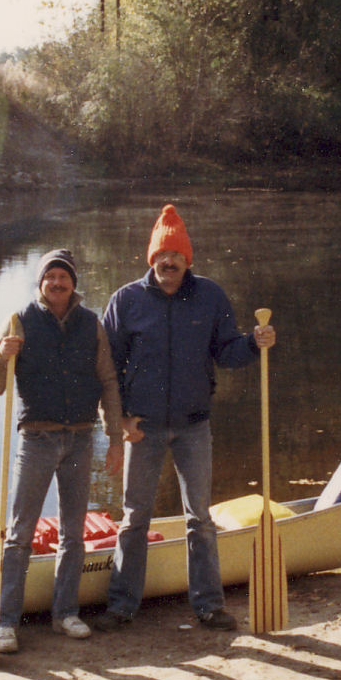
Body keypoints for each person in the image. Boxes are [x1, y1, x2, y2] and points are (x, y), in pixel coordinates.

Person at [92, 204, 275, 632]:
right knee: (134, 518)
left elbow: (226, 351)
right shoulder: (126, 300)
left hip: (194, 425)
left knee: (200, 518)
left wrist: (253, 343)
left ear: (187, 260)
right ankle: (121, 606)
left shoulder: (210, 296)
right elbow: (106, 369)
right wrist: (119, 423)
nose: (167, 263)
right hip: (143, 427)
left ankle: (209, 605)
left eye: (175, 257)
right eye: (160, 256)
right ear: (151, 258)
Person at [0, 248, 133, 654]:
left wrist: (115, 438)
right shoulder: (19, 321)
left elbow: (109, 383)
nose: (57, 283)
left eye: (64, 278)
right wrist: (1, 355)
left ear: (73, 284)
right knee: (19, 535)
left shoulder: (91, 324)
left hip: (81, 438)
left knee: (73, 534)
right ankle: (7, 622)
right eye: (50, 277)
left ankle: (65, 613)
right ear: (41, 283)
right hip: (37, 440)